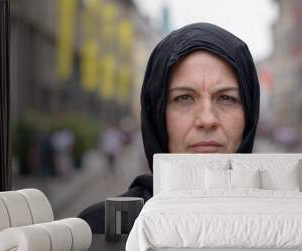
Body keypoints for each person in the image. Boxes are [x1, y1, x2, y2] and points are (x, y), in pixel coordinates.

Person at [78, 22, 260, 233]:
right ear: (158, 115)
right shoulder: (101, 229)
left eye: (227, 98)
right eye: (183, 98)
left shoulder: (286, 224)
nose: (207, 119)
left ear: (249, 113)